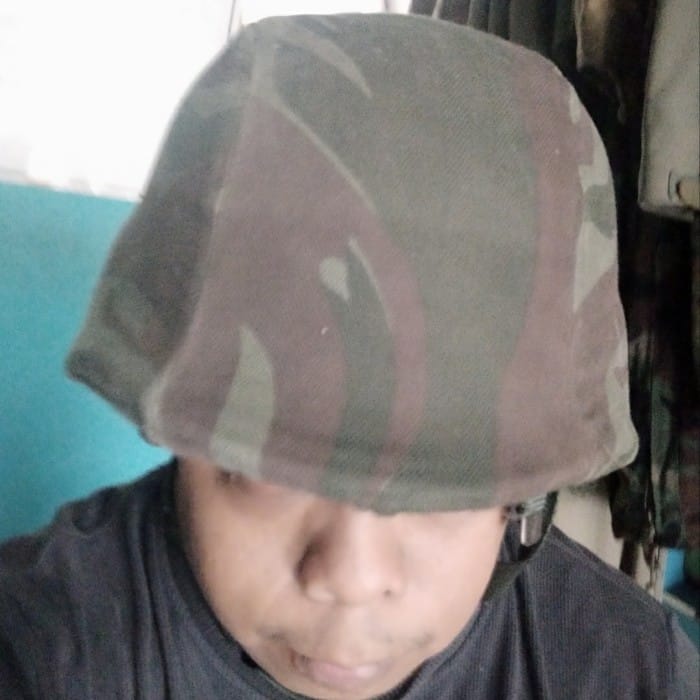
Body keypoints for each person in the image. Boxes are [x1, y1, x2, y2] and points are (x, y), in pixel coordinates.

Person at [0, 12, 697, 700]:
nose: (351, 577)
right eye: (269, 468)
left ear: (521, 504)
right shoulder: (53, 645)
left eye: (445, 488)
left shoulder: (626, 669)